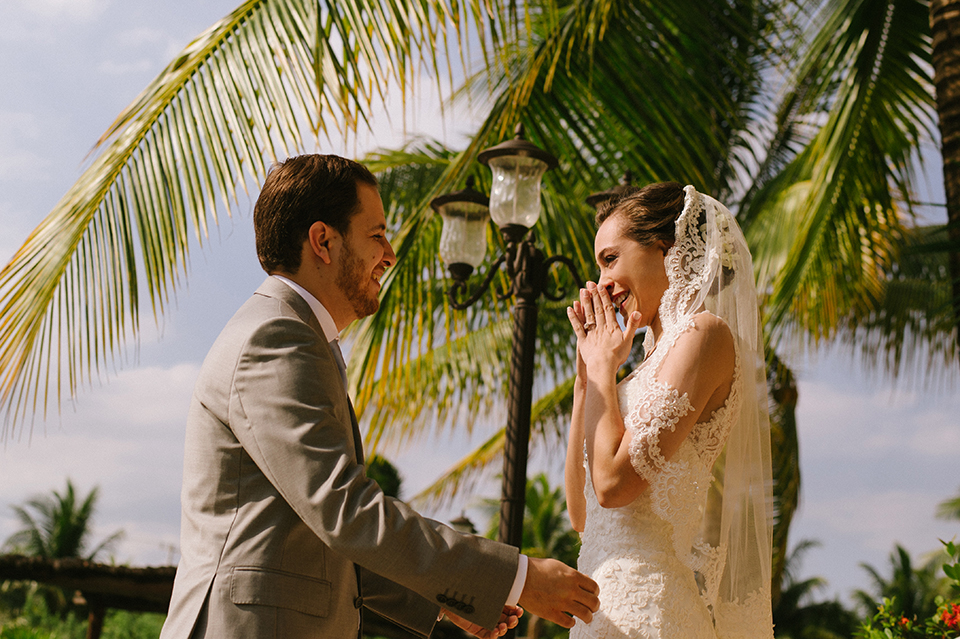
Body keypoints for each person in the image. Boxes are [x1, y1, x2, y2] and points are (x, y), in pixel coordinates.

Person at [159, 154, 600, 639]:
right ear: (323, 241)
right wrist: (516, 578)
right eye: (377, 235)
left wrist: (445, 598)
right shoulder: (278, 336)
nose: (389, 254)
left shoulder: (291, 333)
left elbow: (320, 535)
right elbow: (343, 508)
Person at [564, 182, 774, 638]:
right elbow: (581, 514)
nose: (601, 283)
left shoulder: (704, 335)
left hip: (652, 615)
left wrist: (602, 369)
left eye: (610, 258)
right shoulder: (631, 373)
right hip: (598, 615)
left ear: (664, 248)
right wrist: (587, 377)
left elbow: (614, 486)